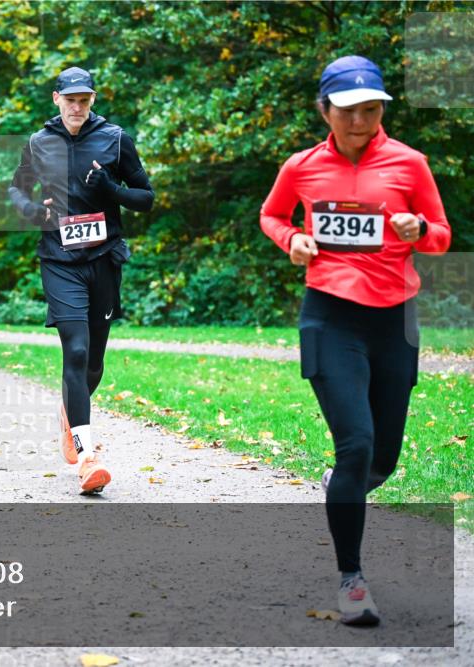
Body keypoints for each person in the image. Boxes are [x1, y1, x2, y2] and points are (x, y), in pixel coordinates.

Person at [260, 56, 451, 626]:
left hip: (395, 320)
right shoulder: (301, 166)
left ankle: (343, 484)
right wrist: (292, 238)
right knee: (358, 444)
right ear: (325, 110)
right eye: (349, 111)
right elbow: (271, 216)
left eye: (372, 109)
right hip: (329, 317)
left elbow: (441, 235)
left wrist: (421, 231)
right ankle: (353, 581)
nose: (362, 121)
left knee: (382, 457)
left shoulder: (410, 164)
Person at [8, 66, 154, 494]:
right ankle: (87, 457)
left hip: (104, 258)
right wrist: (34, 211)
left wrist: (112, 187)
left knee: (92, 364)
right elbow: (16, 190)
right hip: (59, 259)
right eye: (70, 99)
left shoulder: (115, 138)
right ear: (56, 99)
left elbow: (145, 198)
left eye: (84, 100)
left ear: (93, 101)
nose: (77, 106)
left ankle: (70, 412)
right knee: (75, 351)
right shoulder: (39, 142)